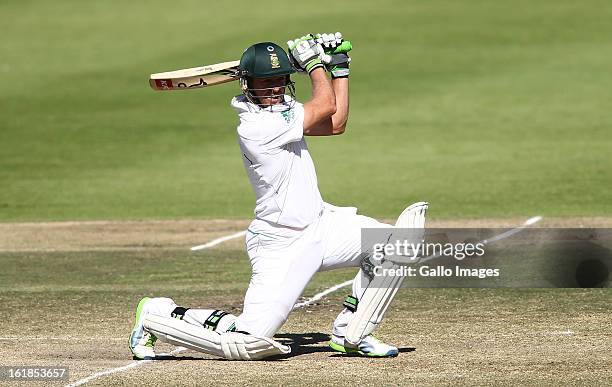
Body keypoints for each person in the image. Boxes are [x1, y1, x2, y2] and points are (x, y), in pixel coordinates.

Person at [129, 33, 427, 360]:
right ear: (246, 84)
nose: (273, 90)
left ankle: (350, 332)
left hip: (322, 227)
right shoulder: (255, 127)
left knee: (395, 244)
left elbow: (337, 122)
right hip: (281, 244)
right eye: (265, 82)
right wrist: (314, 64)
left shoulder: (283, 110)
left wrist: (340, 67)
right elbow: (325, 104)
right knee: (250, 339)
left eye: (279, 81)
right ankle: (157, 314)